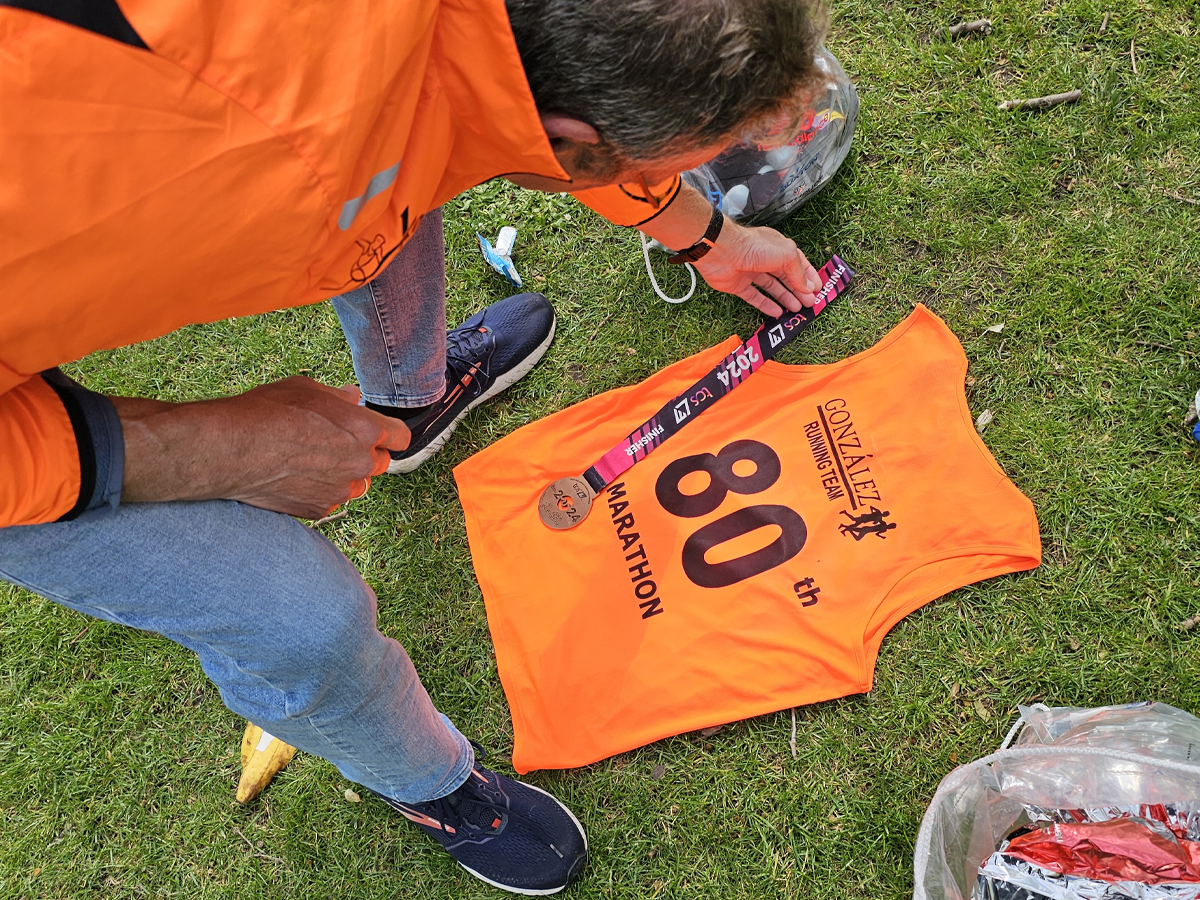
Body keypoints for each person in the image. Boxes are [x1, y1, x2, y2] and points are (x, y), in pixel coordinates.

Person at [0, 0, 833, 892]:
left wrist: (701, 233)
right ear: (572, 135)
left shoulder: (456, 52)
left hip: (317, 155)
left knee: (402, 180)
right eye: (698, 164)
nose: (705, 179)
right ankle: (428, 785)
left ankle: (416, 399)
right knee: (301, 619)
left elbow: (506, 111)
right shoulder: (202, 152)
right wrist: (206, 447)